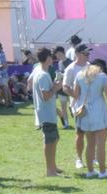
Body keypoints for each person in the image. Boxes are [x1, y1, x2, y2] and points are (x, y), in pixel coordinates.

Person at [73, 58, 107, 178]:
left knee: (89, 144)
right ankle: (102, 172)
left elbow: (76, 94)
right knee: (101, 144)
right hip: (99, 112)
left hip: (85, 112)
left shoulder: (79, 75)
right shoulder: (102, 76)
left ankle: (90, 171)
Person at [29, 46, 64, 177]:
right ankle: (50, 171)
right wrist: (56, 87)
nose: (53, 59)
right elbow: (46, 96)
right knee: (50, 142)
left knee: (54, 140)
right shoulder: (43, 75)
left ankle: (53, 167)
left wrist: (54, 85)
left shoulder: (40, 71)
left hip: (47, 112)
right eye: (51, 56)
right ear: (48, 58)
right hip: (46, 114)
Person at [62, 43, 91, 170]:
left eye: (88, 53)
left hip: (92, 104)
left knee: (92, 133)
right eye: (85, 53)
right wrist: (75, 95)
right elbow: (65, 86)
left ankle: (92, 156)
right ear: (78, 54)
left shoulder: (90, 66)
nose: (88, 55)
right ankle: (79, 159)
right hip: (78, 107)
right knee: (80, 133)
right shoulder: (71, 69)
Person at [53, 47, 73, 129]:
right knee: (63, 106)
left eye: (58, 54)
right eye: (56, 55)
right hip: (61, 88)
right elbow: (60, 74)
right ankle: (66, 124)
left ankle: (75, 118)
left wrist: (62, 75)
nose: (57, 56)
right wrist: (57, 77)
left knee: (73, 106)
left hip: (70, 88)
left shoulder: (70, 62)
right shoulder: (60, 63)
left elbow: (72, 75)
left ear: (62, 53)